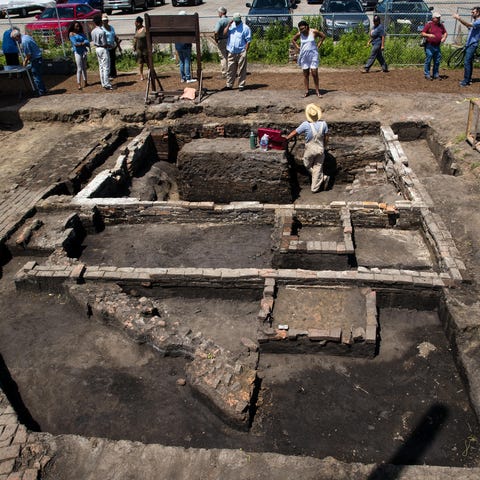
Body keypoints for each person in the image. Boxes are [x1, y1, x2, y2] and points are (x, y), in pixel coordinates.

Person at [284, 103, 329, 193]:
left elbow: (295, 132)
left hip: (310, 150)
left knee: (306, 163)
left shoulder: (306, 124)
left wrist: (287, 138)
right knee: (318, 167)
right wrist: (324, 146)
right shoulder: (324, 124)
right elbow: (326, 137)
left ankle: (317, 184)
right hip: (320, 148)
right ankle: (319, 180)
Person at [291, 20, 326, 98]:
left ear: (306, 27)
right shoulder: (300, 34)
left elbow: (323, 36)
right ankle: (307, 91)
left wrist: (318, 45)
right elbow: (293, 40)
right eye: (300, 29)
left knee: (314, 73)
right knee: (306, 74)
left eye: (303, 28)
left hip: (313, 55)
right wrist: (298, 47)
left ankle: (317, 91)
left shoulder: (313, 32)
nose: (301, 30)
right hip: (304, 55)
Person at [10, 29, 46, 96]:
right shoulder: (26, 36)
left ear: (17, 36)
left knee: (36, 76)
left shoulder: (24, 42)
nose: (15, 40)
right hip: (37, 58)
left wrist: (25, 62)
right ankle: (42, 90)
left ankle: (41, 92)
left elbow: (29, 55)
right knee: (38, 75)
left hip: (35, 59)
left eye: (14, 39)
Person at [223, 13, 251, 91]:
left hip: (241, 51)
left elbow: (248, 41)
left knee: (242, 69)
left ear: (240, 19)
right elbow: (224, 33)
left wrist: (245, 51)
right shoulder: (231, 27)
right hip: (231, 51)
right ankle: (229, 85)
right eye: (235, 20)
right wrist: (228, 24)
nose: (236, 21)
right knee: (230, 69)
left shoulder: (245, 28)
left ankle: (241, 85)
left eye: (237, 20)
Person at [453, 7, 480, 87]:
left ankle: (466, 81)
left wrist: (459, 18)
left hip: (473, 44)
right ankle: (469, 79)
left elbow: (468, 24)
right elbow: (468, 26)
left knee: (467, 62)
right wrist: (461, 21)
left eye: (473, 12)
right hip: (469, 44)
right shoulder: (475, 21)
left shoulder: (479, 21)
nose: (472, 13)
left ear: (478, 12)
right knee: (469, 62)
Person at [421, 12, 447, 81]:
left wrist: (444, 37)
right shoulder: (429, 25)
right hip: (430, 45)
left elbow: (445, 33)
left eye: (439, 18)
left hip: (437, 45)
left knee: (437, 61)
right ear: (433, 18)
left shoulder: (441, 25)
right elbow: (423, 33)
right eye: (437, 18)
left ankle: (436, 74)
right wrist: (429, 35)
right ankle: (427, 74)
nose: (439, 19)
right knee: (428, 59)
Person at [91, 14, 113, 90]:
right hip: (103, 49)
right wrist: (109, 45)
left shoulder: (93, 31)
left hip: (97, 48)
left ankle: (103, 82)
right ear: (100, 22)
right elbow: (104, 43)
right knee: (106, 66)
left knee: (101, 66)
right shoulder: (101, 31)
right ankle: (106, 83)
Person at [175, 11, 196, 83]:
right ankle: (188, 77)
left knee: (181, 61)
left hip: (178, 45)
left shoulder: (176, 24)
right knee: (187, 60)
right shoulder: (186, 24)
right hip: (185, 44)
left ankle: (182, 77)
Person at [68, 21, 90, 90]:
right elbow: (75, 44)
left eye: (78, 26)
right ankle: (79, 84)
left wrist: (81, 43)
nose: (78, 27)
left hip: (83, 51)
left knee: (84, 68)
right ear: (73, 27)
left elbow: (87, 41)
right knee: (79, 68)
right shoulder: (71, 34)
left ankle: (85, 81)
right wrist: (83, 43)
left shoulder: (81, 33)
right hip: (77, 52)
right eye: (76, 26)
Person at [102, 13, 122, 79]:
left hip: (112, 46)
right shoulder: (102, 29)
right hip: (106, 47)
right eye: (104, 20)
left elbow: (114, 37)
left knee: (113, 60)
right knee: (108, 61)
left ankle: (113, 73)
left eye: (106, 20)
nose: (105, 21)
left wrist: (119, 46)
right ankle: (109, 74)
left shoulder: (111, 28)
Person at [214, 6, 229, 78]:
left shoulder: (220, 21)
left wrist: (216, 38)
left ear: (221, 13)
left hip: (222, 40)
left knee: (223, 57)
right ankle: (230, 71)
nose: (218, 14)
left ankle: (224, 73)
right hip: (229, 40)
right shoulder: (229, 20)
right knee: (228, 56)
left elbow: (216, 31)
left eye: (218, 12)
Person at [133, 16, 148, 81]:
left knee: (148, 62)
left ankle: (150, 74)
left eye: (135, 22)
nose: (134, 23)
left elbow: (148, 38)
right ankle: (141, 75)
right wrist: (134, 46)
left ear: (138, 23)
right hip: (138, 49)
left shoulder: (145, 29)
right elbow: (135, 38)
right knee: (140, 62)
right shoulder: (136, 29)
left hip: (145, 49)